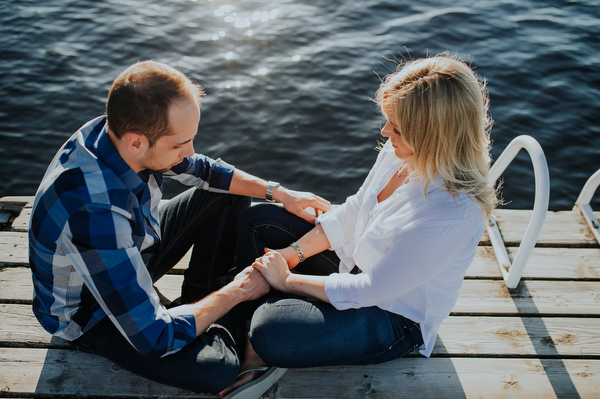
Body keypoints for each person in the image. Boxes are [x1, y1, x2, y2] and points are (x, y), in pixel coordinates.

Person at [28, 60, 330, 395]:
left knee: (228, 194)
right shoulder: (94, 213)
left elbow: (203, 170)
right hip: (91, 312)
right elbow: (153, 337)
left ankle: (201, 302)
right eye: (178, 145)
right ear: (136, 142)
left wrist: (281, 193)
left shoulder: (113, 133)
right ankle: (227, 320)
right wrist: (240, 290)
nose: (190, 153)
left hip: (132, 247)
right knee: (218, 370)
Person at [222, 55, 497, 395]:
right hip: (354, 265)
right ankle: (246, 327)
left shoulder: (451, 216)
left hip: (390, 315)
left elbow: (372, 290)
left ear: (431, 137)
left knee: (269, 330)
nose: (385, 132)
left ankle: (255, 346)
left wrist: (288, 279)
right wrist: (292, 253)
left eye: (395, 128)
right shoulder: (402, 154)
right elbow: (354, 210)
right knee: (258, 220)